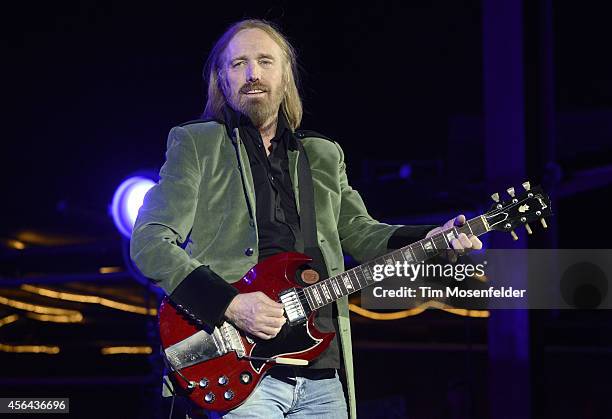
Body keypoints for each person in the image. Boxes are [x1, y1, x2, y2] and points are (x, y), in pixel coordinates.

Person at [130, 19, 482, 419]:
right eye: (238, 64)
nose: (253, 74)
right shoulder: (197, 143)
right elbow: (149, 242)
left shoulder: (323, 154)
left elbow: (360, 233)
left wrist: (431, 238)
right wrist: (230, 304)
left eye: (265, 61)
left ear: (285, 78)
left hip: (322, 371)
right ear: (222, 80)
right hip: (239, 369)